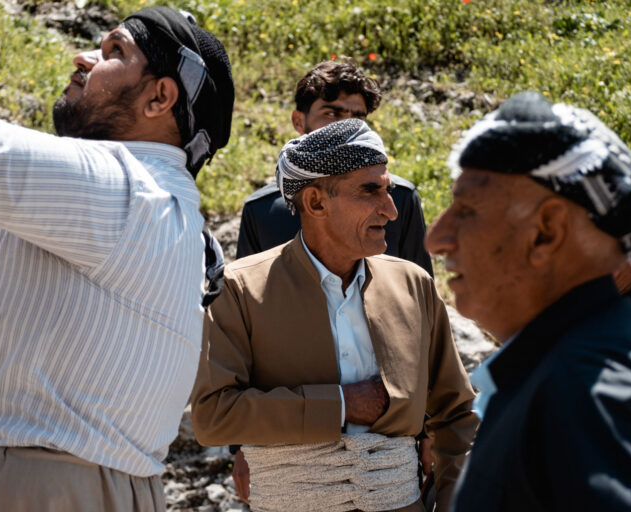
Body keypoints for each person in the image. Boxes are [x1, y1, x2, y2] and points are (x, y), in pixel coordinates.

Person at [0, 3, 233, 510]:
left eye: (114, 51)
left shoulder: (130, 191)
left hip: (39, 489)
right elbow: (49, 330)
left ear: (161, 97)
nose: (83, 56)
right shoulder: (151, 206)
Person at [192, 119, 478, 512]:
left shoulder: (414, 284)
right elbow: (213, 416)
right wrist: (340, 405)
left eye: (388, 190)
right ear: (315, 202)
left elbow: (456, 414)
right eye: (370, 190)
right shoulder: (239, 289)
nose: (391, 210)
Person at [424, 91, 631, 511]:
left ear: (546, 231)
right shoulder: (587, 364)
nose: (436, 238)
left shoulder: (585, 392)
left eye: (467, 209)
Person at [236, 59, 433, 276]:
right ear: (298, 121)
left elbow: (418, 293)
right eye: (332, 114)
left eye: (358, 117)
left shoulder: (400, 199)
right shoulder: (263, 210)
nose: (346, 127)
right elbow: (248, 294)